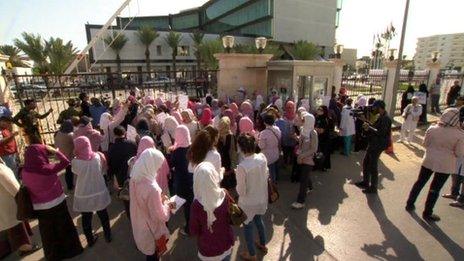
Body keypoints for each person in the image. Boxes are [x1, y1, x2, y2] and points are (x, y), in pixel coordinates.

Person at [21, 143, 83, 260]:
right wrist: (55, 151)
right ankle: (71, 250)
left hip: (40, 207)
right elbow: (65, 162)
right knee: (65, 227)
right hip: (57, 202)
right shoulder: (48, 168)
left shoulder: (24, 172)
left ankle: (53, 255)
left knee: (47, 233)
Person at [406, 108, 464, 221]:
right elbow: (459, 153)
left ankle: (410, 203)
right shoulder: (460, 135)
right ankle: (427, 213)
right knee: (435, 188)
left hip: (428, 160)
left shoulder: (432, 128)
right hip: (445, 165)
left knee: (419, 182)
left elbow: (425, 143)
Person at [130, 147, 174, 261]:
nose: (159, 168)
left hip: (139, 223)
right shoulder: (152, 189)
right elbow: (162, 216)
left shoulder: (135, 176)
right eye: (158, 165)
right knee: (153, 254)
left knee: (149, 253)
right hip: (151, 230)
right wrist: (167, 204)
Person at [190, 162, 234, 261]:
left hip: (207, 249)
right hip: (225, 243)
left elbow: (194, 230)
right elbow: (231, 215)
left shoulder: (196, 205)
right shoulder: (224, 194)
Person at [72, 136, 112, 246]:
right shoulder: (98, 156)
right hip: (98, 189)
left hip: (84, 192)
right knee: (103, 214)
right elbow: (103, 170)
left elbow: (75, 172)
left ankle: (90, 240)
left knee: (86, 217)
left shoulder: (75, 162)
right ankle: (108, 235)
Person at [236, 134, 269, 260]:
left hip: (248, 203)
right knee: (259, 221)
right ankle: (263, 243)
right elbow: (266, 175)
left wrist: (237, 176)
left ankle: (251, 254)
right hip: (261, 199)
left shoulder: (242, 167)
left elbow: (241, 191)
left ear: (241, 148)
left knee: (248, 226)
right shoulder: (262, 157)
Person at [0, 160, 40, 257]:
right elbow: (11, 184)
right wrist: (20, 196)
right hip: (7, 202)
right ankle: (25, 248)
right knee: (16, 227)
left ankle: (4, 250)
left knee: (4, 227)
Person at [354, 100, 392, 194]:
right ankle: (366, 182)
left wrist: (368, 127)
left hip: (378, 145)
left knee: (373, 166)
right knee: (366, 162)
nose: (373, 109)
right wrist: (366, 122)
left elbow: (380, 132)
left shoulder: (386, 119)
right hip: (373, 143)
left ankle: (373, 187)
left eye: (375, 107)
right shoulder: (381, 116)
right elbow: (375, 127)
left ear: (380, 107)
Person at [107, 126, 137, 218]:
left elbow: (110, 163)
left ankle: (129, 213)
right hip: (132, 172)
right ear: (125, 133)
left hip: (119, 174)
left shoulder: (112, 147)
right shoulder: (132, 143)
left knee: (125, 194)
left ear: (115, 135)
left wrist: (112, 176)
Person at [169, 125, 193, 236]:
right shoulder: (192, 147)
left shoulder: (177, 151)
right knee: (192, 203)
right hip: (193, 181)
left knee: (186, 206)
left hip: (183, 182)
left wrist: (169, 152)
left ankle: (189, 228)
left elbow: (172, 165)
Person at [292, 112, 318, 209]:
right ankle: (310, 187)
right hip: (301, 157)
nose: (302, 121)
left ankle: (300, 201)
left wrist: (302, 156)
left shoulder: (313, 133)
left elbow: (314, 149)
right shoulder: (303, 130)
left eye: (304, 120)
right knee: (305, 176)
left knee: (303, 180)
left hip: (308, 159)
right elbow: (301, 141)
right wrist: (296, 138)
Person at [258, 114, 281, 183]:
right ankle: (275, 181)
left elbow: (261, 146)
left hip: (267, 155)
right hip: (276, 152)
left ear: (264, 122)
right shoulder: (277, 129)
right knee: (274, 167)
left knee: (270, 171)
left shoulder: (263, 133)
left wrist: (258, 140)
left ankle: (272, 185)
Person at [217, 117, 238, 190]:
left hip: (225, 162)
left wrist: (233, 166)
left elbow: (233, 152)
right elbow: (233, 152)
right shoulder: (219, 136)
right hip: (223, 162)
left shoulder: (228, 136)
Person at [54, 120, 75, 190]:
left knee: (67, 169)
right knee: (69, 171)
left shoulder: (57, 133)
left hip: (59, 155)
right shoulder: (70, 135)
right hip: (68, 156)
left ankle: (70, 185)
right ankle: (70, 186)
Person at [314, 106, 333, 171]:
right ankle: (317, 166)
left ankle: (324, 166)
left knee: (324, 153)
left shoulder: (326, 119)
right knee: (317, 152)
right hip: (318, 138)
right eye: (318, 109)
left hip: (325, 139)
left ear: (324, 111)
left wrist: (313, 129)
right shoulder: (317, 117)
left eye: (321, 109)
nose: (318, 110)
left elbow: (321, 131)